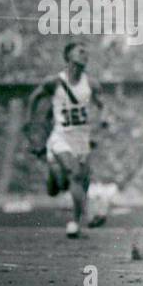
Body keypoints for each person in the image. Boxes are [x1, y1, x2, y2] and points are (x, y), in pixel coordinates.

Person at [25, 40, 107, 238]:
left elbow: (102, 105)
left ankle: (75, 221)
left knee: (80, 181)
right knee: (75, 173)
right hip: (61, 137)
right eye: (80, 52)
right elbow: (34, 98)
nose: (84, 56)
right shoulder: (54, 82)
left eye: (86, 53)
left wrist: (102, 122)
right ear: (68, 56)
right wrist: (30, 122)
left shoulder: (92, 84)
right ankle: (84, 218)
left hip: (82, 139)